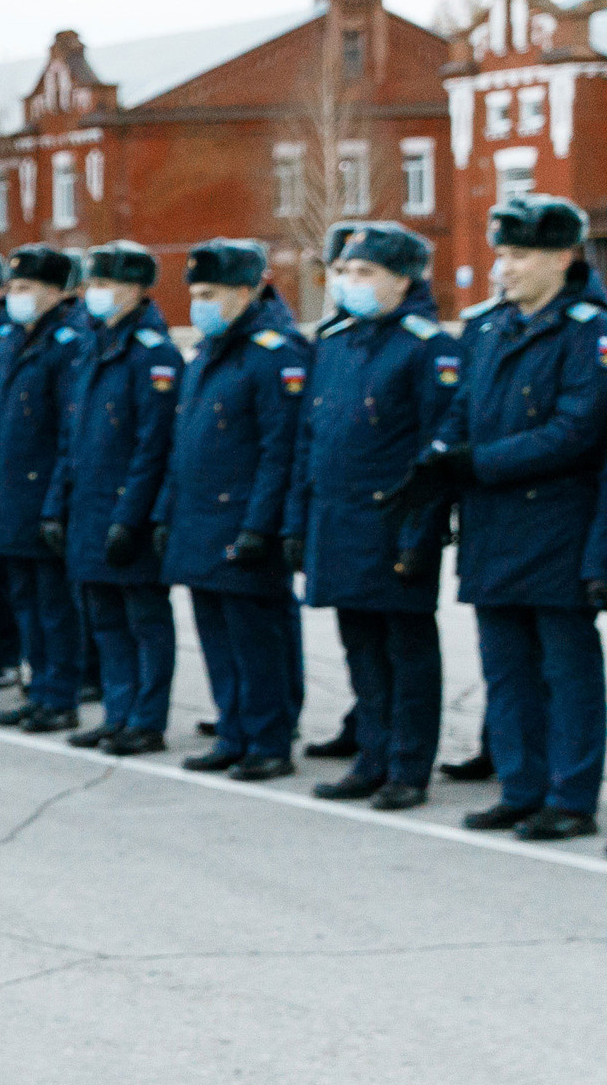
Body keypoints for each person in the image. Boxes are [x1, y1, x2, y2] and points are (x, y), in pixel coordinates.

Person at [403, 194, 604, 839]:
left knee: (566, 669)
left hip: (558, 526)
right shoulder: (489, 326)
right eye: (503, 254)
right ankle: (520, 787)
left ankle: (570, 797)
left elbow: (576, 430)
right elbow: (461, 408)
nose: (505, 268)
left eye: (519, 255)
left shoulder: (590, 332)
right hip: (492, 524)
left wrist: (475, 463)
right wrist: (440, 458)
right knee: (505, 664)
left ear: (562, 257)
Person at [286, 223, 454, 810]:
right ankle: (372, 757)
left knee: (406, 654)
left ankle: (408, 769)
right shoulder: (334, 340)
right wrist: (298, 521)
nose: (348, 284)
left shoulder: (424, 344)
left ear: (403, 281)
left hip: (393, 526)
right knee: (360, 649)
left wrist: (419, 537)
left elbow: (436, 451)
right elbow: (312, 438)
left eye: (365, 273)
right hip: (339, 520)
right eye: (343, 272)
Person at [157, 239, 308, 781]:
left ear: (247, 291)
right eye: (195, 293)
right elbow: (184, 446)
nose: (199, 303)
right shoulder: (208, 353)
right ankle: (233, 732)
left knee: (255, 642)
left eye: (210, 293)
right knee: (218, 638)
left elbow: (278, 452)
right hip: (200, 521)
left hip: (244, 524)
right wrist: (166, 514)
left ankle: (267, 740)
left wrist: (258, 527)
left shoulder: (275, 353)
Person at [50, 242, 177, 753]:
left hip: (129, 513)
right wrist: (55, 506)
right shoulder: (90, 349)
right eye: (91, 284)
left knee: (143, 620)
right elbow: (71, 439)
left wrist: (131, 517)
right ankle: (118, 711)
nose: (93, 295)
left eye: (106, 285)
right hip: (87, 509)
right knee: (104, 621)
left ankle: (147, 719)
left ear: (137, 290)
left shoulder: (153, 353)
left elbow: (154, 445)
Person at [0, 246, 87, 731]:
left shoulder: (67, 344)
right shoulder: (12, 341)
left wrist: (56, 502)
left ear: (57, 291)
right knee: (25, 602)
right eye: (14, 287)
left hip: (44, 493)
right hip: (11, 496)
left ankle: (59, 695)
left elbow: (69, 431)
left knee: (53, 606)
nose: (15, 296)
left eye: (26, 288)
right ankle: (37, 689)